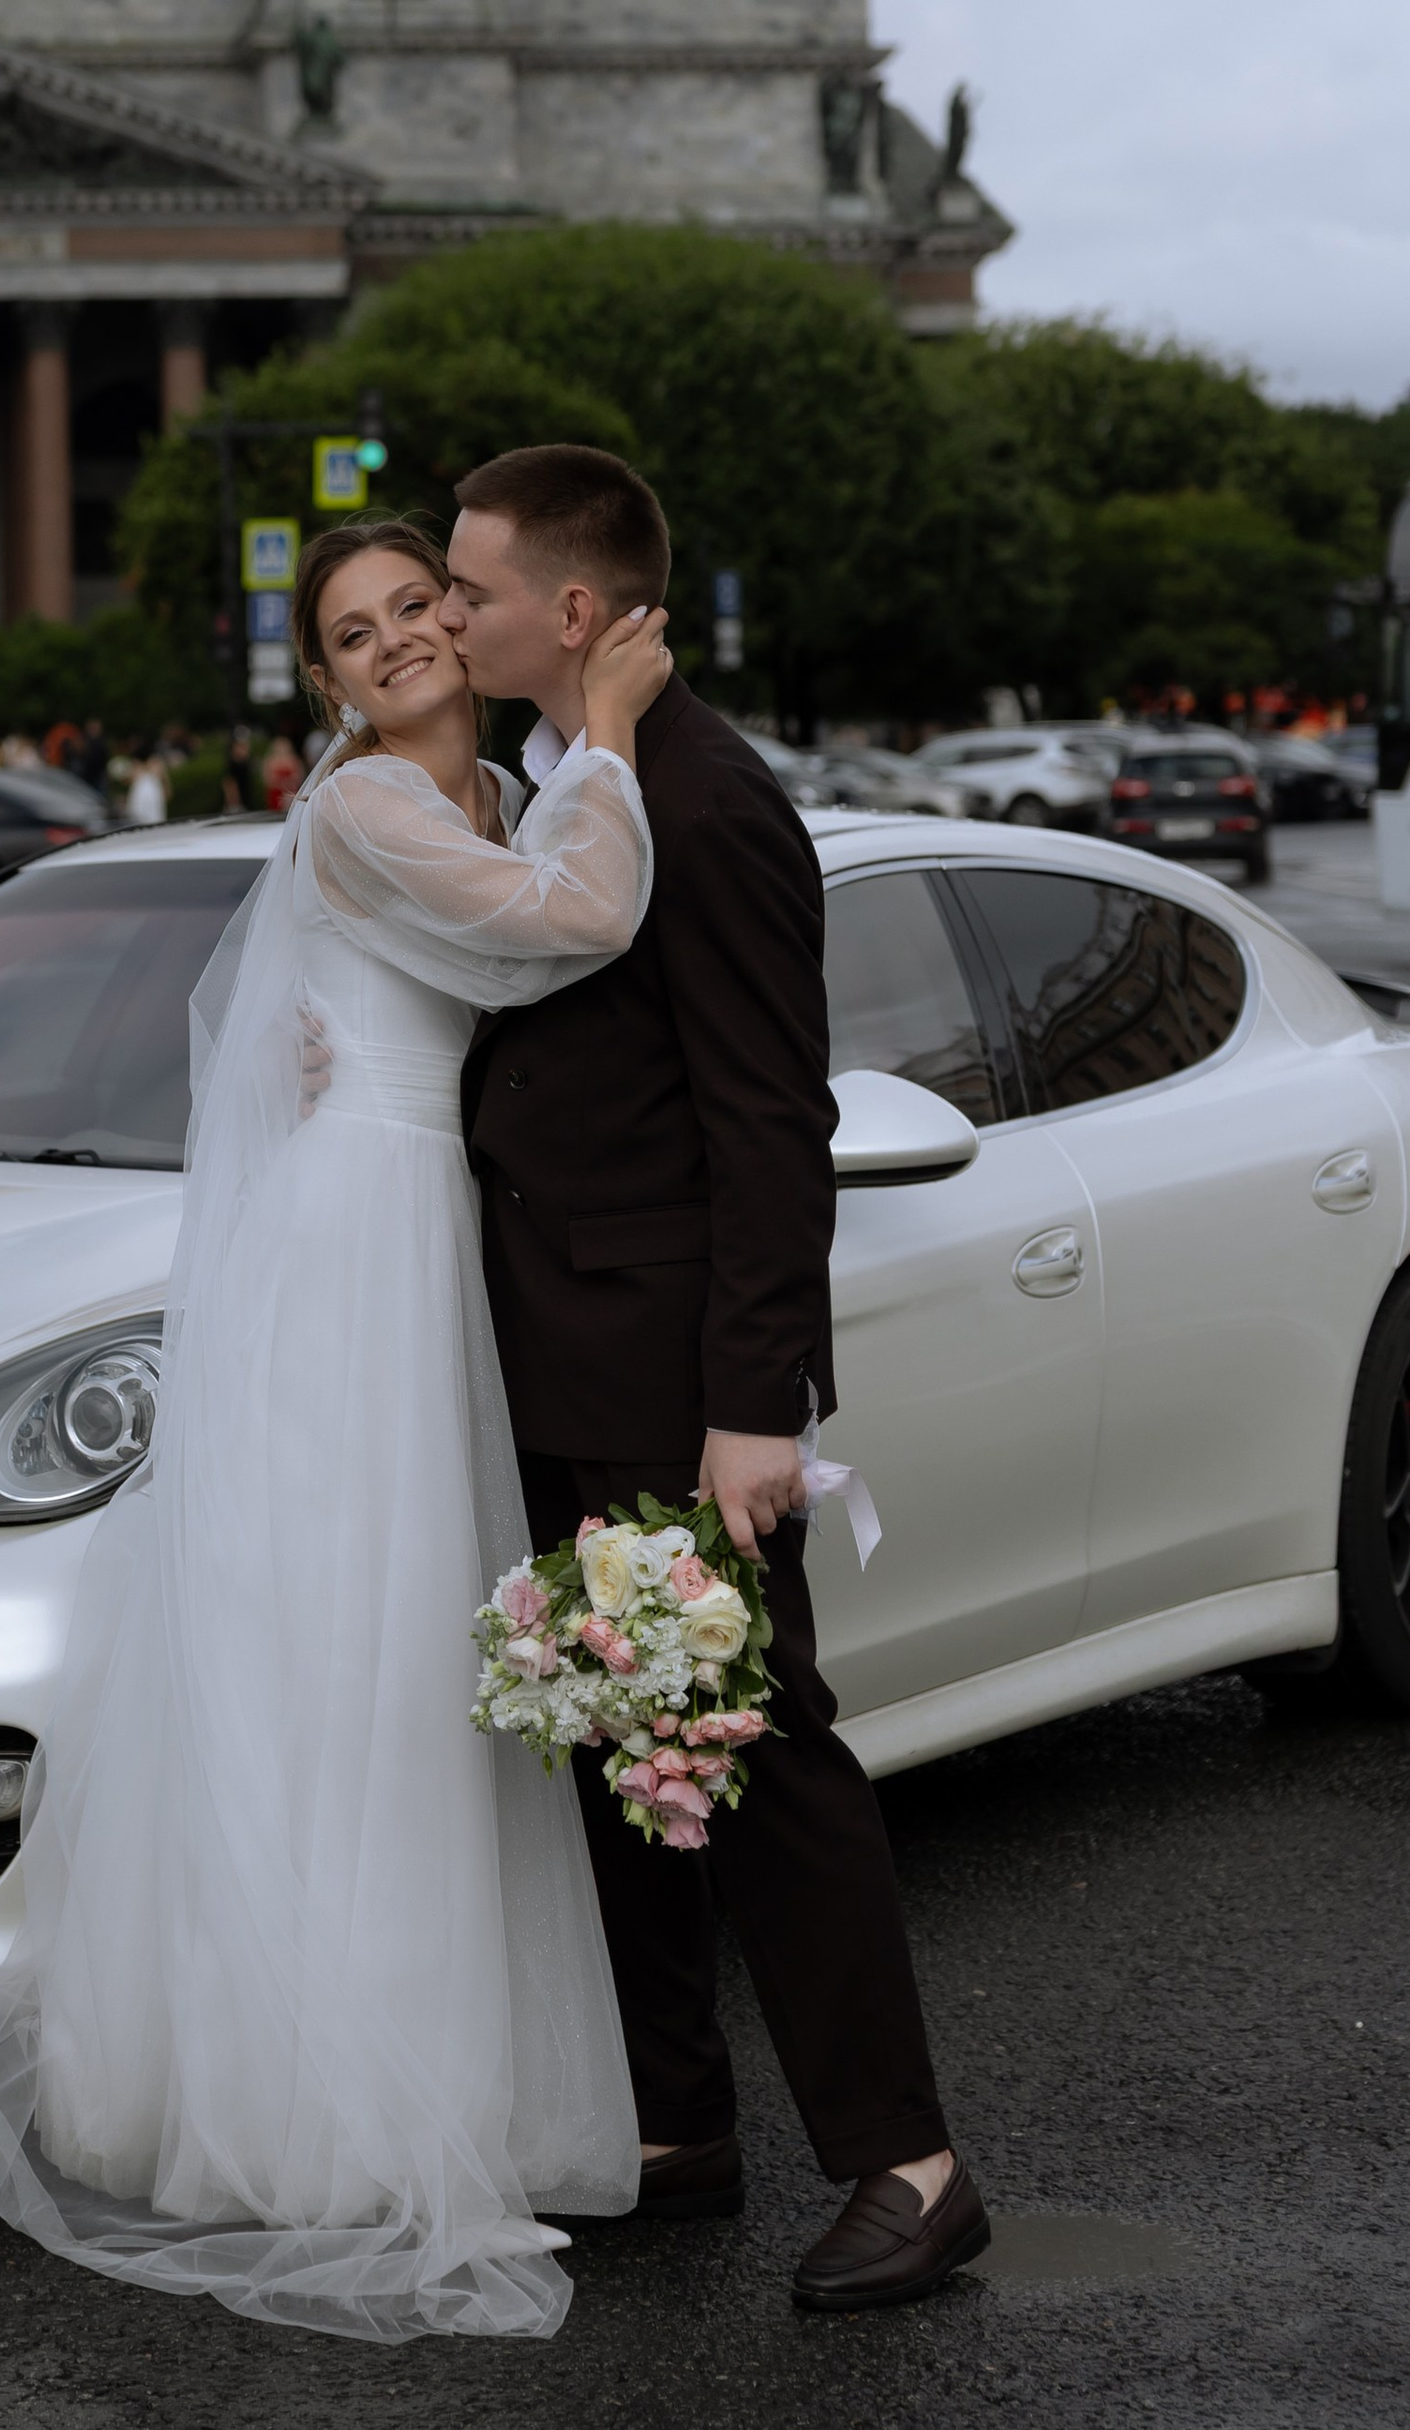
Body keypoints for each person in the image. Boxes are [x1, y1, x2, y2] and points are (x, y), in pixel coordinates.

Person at [0, 517, 673, 2340]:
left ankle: (407, 2070)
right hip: (355, 1244)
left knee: (403, 1667)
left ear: (459, 613)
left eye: (415, 608)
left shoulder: (495, 801)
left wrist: (558, 768)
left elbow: (511, 977)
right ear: (326, 679)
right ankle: (318, 2111)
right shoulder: (373, 811)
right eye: (354, 635)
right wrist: (611, 729)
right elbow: (580, 929)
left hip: (419, 1228)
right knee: (343, 1653)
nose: (397, 644)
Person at [441, 445, 986, 2313]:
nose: (449, 615)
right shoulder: (574, 776)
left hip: (679, 1384)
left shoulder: (711, 797)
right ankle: (678, 2127)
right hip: (564, 1357)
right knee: (624, 1754)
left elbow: (773, 1125)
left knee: (758, 1761)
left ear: (572, 612)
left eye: (474, 590)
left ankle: (907, 2165)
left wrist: (757, 1407)